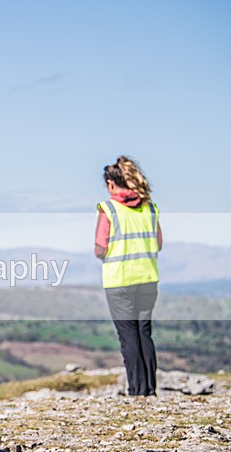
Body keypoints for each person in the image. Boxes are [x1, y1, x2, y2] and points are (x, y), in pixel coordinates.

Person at [95, 156, 163, 396]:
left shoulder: (109, 209)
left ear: (112, 184)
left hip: (119, 281)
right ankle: (150, 389)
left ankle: (136, 390)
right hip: (147, 278)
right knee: (144, 333)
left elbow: (100, 247)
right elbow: (159, 243)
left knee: (128, 335)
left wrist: (106, 253)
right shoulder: (150, 207)